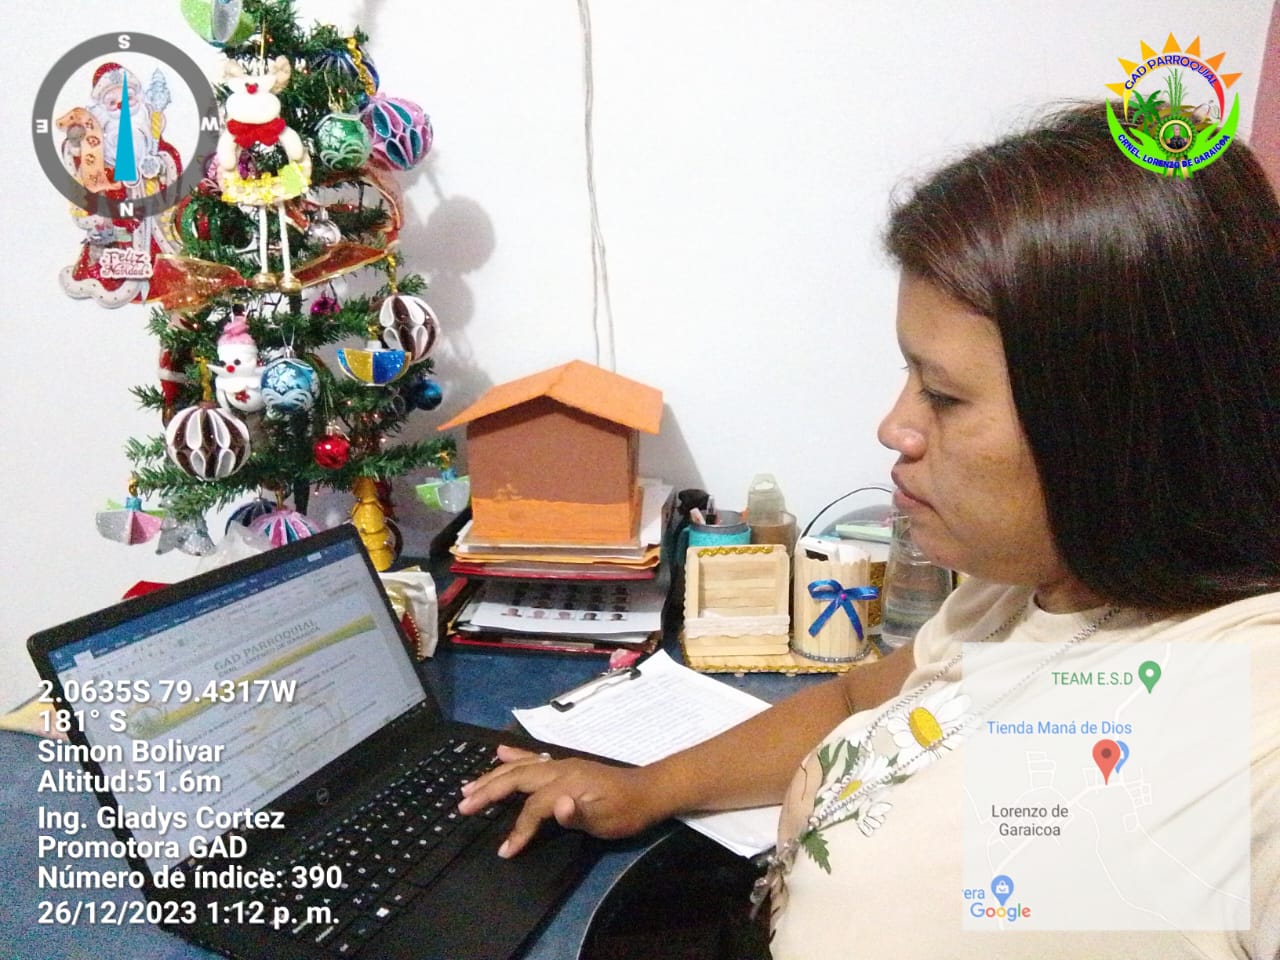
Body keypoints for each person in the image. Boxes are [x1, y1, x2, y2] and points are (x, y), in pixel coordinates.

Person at [458, 102, 1280, 959]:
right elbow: (857, 698)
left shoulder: (1249, 722)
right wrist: (649, 787)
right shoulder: (1030, 589)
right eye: (910, 376)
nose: (895, 426)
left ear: (1125, 420)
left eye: (945, 395)